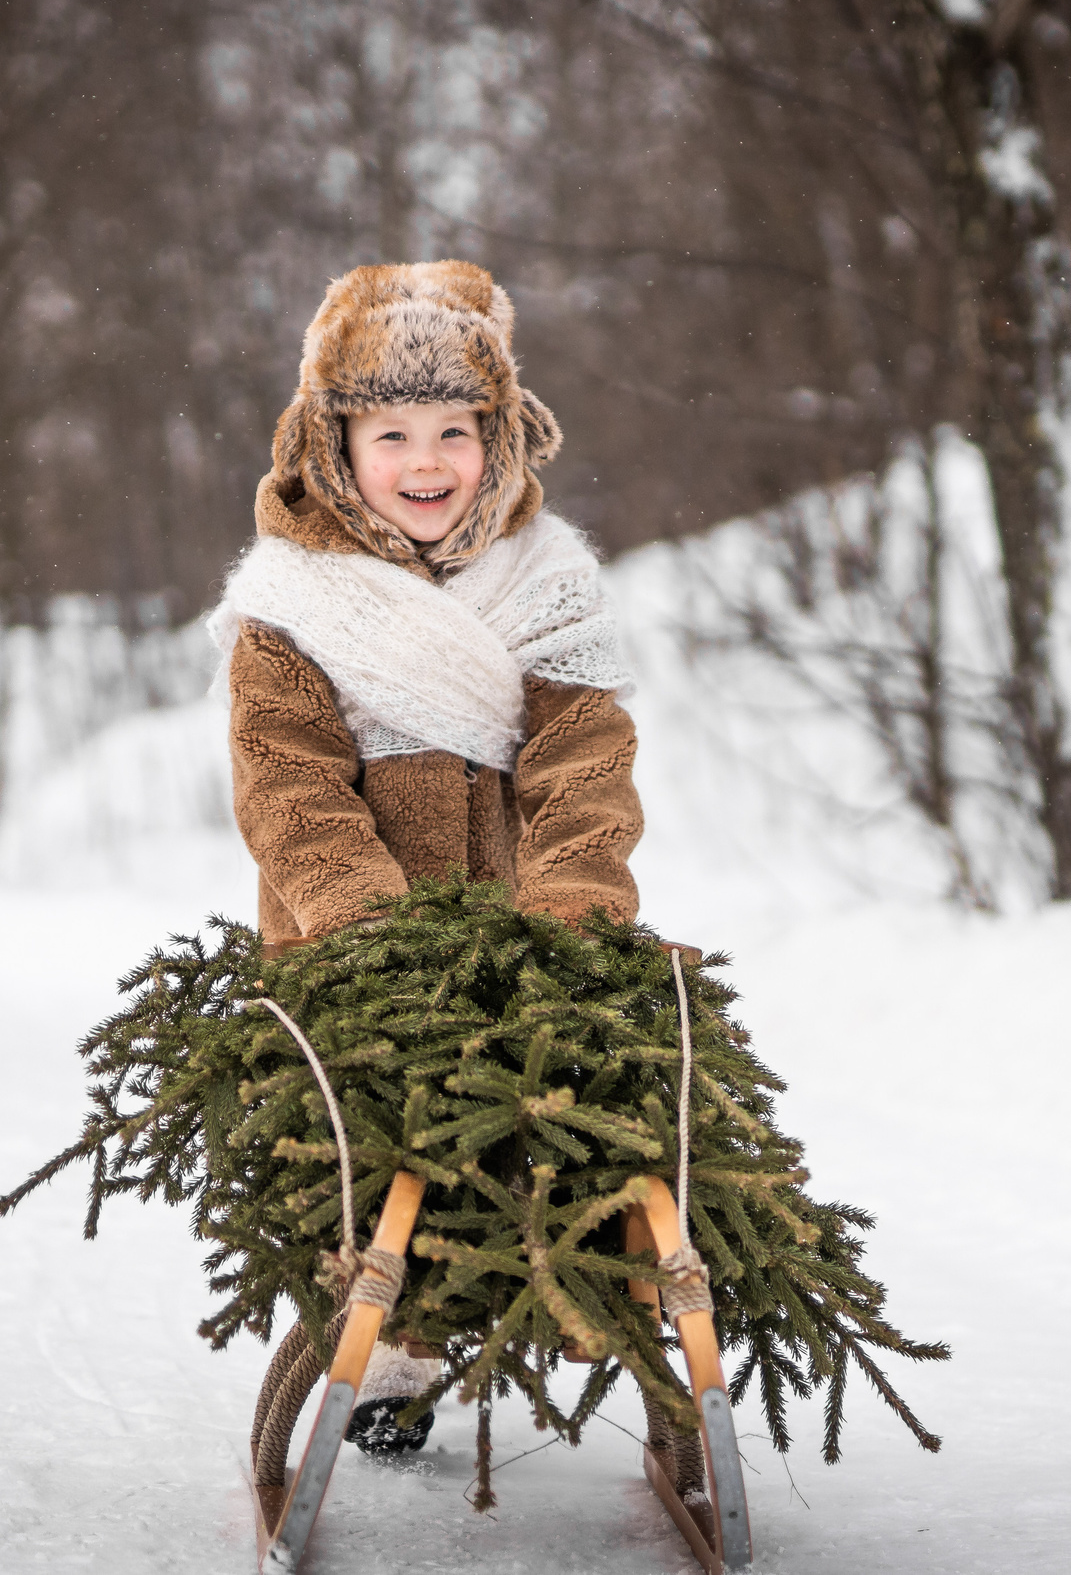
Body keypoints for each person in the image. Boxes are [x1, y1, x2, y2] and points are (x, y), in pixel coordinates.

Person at [206, 260, 645, 1455]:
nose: (427, 461)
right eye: (390, 431)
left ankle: (592, 1308)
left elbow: (584, 763)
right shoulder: (293, 608)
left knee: (556, 1129)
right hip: (353, 951)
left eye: (456, 428)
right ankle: (393, 1350)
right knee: (381, 1153)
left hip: (522, 938)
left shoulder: (546, 585)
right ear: (332, 443)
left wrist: (574, 898)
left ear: (499, 436)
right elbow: (289, 786)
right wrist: (366, 925)